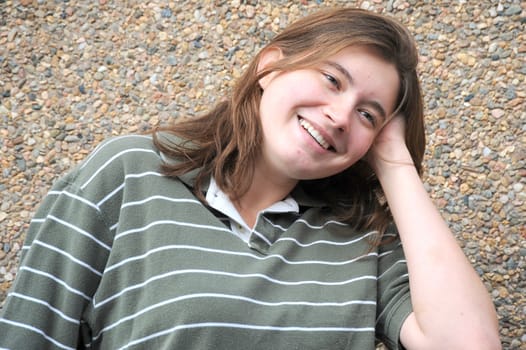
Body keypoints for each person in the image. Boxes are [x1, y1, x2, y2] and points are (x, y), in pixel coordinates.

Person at [0, 8, 500, 350]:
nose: (340, 115)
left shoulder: (364, 241)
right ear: (270, 67)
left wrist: (396, 163)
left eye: (368, 115)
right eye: (331, 80)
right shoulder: (129, 174)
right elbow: (29, 334)